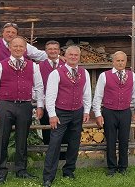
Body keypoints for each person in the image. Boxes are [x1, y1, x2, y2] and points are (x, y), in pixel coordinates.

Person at [0, 36, 45, 185]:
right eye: (15, 46)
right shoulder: (0, 66)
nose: (18, 49)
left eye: (21, 47)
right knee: (2, 139)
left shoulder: (33, 66)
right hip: (5, 105)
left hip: (25, 105)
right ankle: (0, 172)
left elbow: (39, 87)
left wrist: (39, 106)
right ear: (10, 48)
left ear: (25, 49)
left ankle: (21, 170)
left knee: (22, 139)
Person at [0, 22, 47, 128]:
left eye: (13, 32)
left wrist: (56, 56)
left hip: (17, 77)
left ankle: (17, 117)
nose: (10, 34)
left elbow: (39, 54)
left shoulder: (22, 45)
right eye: (8, 32)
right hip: (0, 78)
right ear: (3, 33)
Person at [42, 46, 92, 187]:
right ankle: (48, 176)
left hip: (77, 112)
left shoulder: (84, 72)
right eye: (71, 54)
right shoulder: (56, 73)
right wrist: (52, 114)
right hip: (61, 112)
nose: (73, 57)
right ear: (65, 55)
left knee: (74, 143)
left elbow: (87, 93)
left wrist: (86, 110)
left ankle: (69, 171)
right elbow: (50, 96)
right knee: (55, 143)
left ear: (79, 57)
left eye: (76, 55)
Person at [92, 51, 135, 176]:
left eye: (122, 61)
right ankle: (111, 167)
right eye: (117, 60)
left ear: (126, 62)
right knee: (110, 140)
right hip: (109, 111)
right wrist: (98, 114)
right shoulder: (104, 75)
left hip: (125, 111)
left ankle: (123, 167)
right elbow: (98, 96)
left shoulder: (131, 75)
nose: (120, 63)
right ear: (113, 62)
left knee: (124, 140)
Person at [38, 40, 64, 146]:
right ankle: (48, 159)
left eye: (55, 49)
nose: (53, 51)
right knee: (47, 132)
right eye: (50, 49)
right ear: (46, 51)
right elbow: (36, 86)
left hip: (63, 105)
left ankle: (63, 159)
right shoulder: (39, 66)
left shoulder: (66, 65)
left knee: (63, 133)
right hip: (46, 105)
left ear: (59, 51)